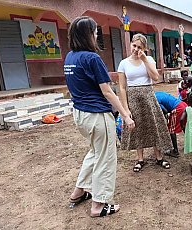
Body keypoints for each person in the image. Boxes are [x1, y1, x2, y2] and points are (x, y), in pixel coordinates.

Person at [65, 16, 135, 218]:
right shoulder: (92, 58)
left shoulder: (70, 57)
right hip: (97, 116)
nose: (97, 35)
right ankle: (99, 205)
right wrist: (125, 114)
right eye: (95, 32)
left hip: (80, 115)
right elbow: (107, 91)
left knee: (95, 152)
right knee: (106, 157)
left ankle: (79, 192)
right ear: (88, 35)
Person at [117, 33, 171, 172]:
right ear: (130, 44)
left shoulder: (149, 59)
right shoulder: (123, 63)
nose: (136, 49)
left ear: (144, 48)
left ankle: (159, 157)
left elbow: (155, 77)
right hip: (133, 97)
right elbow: (122, 87)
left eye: (139, 47)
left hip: (148, 96)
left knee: (154, 125)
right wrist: (125, 108)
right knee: (137, 128)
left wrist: (145, 59)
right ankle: (140, 159)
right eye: (134, 45)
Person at [155, 91, 187, 158]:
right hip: (183, 105)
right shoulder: (157, 93)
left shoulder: (155, 99)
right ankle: (191, 145)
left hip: (177, 108)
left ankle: (175, 151)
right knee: (184, 126)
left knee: (172, 130)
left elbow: (165, 111)